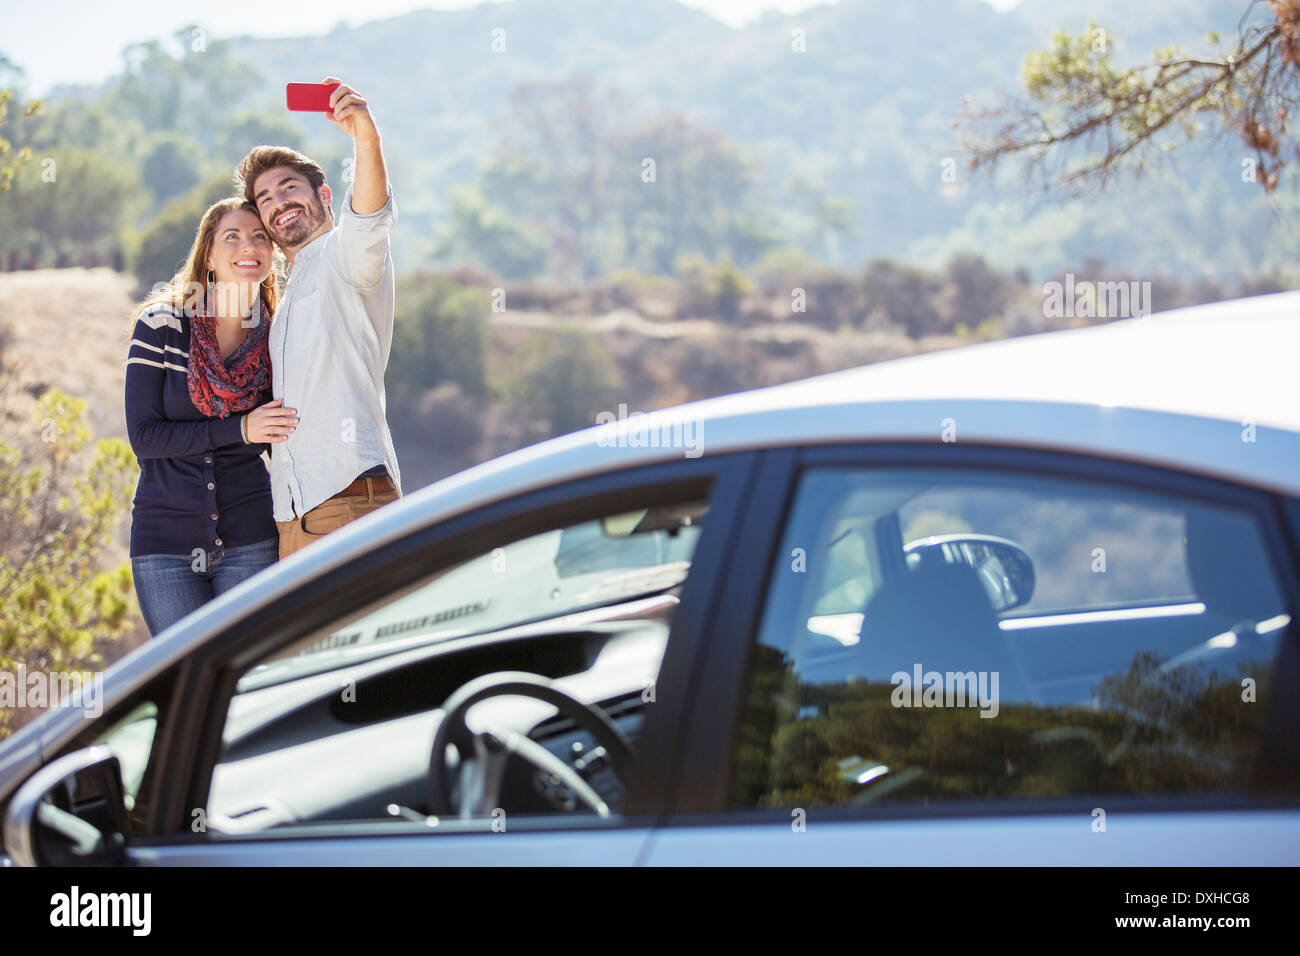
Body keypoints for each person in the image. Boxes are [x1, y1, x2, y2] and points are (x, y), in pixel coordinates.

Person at [235, 76, 402, 560]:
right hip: (294, 518)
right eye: (265, 199)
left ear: (325, 195)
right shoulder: (287, 296)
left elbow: (369, 220)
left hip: (348, 502)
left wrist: (366, 138)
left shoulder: (343, 257)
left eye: (289, 188)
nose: (279, 202)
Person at [125, 197, 300, 635]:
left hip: (252, 539)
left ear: (273, 253)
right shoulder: (162, 325)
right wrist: (240, 428)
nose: (249, 245)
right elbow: (146, 438)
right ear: (209, 254)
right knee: (185, 679)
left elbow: (287, 436)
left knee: (246, 675)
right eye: (233, 236)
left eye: (261, 236)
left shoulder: (279, 333)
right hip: (165, 545)